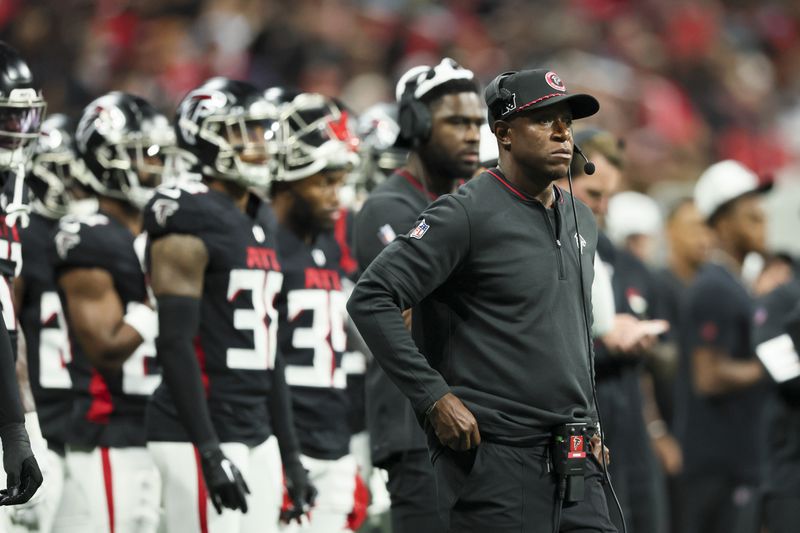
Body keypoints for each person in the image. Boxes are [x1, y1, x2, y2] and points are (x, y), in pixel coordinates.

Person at [348, 68, 617, 532]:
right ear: (504, 133)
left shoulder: (583, 219)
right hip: (498, 460)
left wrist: (590, 419)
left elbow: (574, 329)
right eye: (543, 119)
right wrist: (434, 397)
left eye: (567, 122)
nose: (561, 132)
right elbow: (371, 298)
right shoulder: (464, 213)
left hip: (577, 459)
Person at [143, 77, 314, 533]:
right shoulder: (187, 214)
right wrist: (208, 449)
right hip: (198, 430)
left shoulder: (258, 216)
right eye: (246, 131)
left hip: (255, 428)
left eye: (263, 131)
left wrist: (290, 450)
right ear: (205, 135)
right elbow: (175, 344)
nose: (260, 144)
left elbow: (267, 345)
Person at [351, 57, 481, 533]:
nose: (472, 135)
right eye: (456, 122)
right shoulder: (387, 206)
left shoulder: (470, 204)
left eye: (476, 123)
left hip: (475, 420)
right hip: (415, 426)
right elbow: (405, 317)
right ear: (416, 124)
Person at [54, 91, 172, 532]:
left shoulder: (167, 229)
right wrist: (160, 302)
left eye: (160, 154)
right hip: (111, 431)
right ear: (104, 159)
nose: (156, 166)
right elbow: (105, 347)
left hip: (164, 426)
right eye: (143, 154)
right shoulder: (89, 235)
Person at [557, 128, 670, 533]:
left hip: (630, 423)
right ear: (562, 181)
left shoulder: (622, 262)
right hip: (580, 422)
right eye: (594, 194)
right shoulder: (549, 254)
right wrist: (604, 342)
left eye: (609, 196)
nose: (602, 208)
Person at [268, 91, 361, 532]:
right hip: (283, 439)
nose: (336, 198)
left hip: (333, 437)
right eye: (324, 183)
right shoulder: (261, 245)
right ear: (289, 179)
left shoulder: (325, 243)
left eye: (339, 183)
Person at [675, 160, 769, 533]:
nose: (763, 222)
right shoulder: (714, 287)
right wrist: (774, 367)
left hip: (736, 457)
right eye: (752, 217)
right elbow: (709, 376)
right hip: (717, 464)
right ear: (724, 223)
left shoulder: (733, 283)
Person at [14, 113, 92, 531]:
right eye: (60, 169)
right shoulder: (23, 232)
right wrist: (25, 430)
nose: (71, 182)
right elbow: (11, 336)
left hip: (81, 420)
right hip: (39, 415)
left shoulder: (86, 233)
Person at [0, 40, 44, 508]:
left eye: (23, 117)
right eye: (5, 117)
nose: (17, 130)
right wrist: (15, 427)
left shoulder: (12, 193)